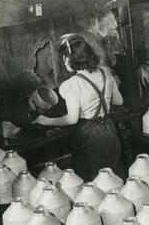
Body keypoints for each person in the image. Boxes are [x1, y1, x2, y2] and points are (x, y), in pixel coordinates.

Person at [33, 34, 123, 180]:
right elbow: (119, 101)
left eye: (64, 57)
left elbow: (72, 119)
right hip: (110, 131)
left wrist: (46, 120)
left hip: (89, 137)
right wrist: (100, 98)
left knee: (92, 183)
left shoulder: (72, 84)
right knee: (114, 178)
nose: (63, 60)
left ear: (70, 59)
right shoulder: (105, 73)